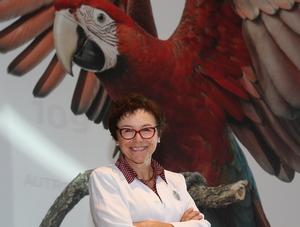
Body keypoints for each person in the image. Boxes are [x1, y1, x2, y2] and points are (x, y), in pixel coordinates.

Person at [89, 94, 211, 227]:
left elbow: (203, 225)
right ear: (116, 139)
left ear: (158, 135)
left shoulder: (176, 180)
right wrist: (181, 224)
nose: (138, 139)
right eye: (128, 131)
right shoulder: (105, 177)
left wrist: (149, 225)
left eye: (146, 130)